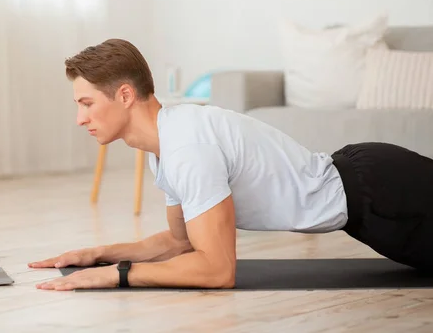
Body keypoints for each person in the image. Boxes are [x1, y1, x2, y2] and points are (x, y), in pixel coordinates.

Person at [29, 38, 433, 291]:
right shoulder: (165, 148)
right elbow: (181, 241)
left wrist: (119, 276)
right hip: (368, 201)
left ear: (124, 95)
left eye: (86, 104)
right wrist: (99, 255)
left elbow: (217, 270)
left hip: (383, 191)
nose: (80, 118)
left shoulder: (188, 146)